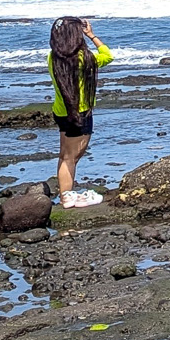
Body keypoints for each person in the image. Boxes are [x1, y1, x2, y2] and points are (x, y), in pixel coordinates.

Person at [47, 15, 111, 208]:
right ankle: (67, 196)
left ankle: (66, 195)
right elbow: (107, 55)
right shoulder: (84, 59)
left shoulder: (52, 57)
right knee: (71, 158)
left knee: (64, 156)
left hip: (61, 112)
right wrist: (92, 35)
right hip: (80, 113)